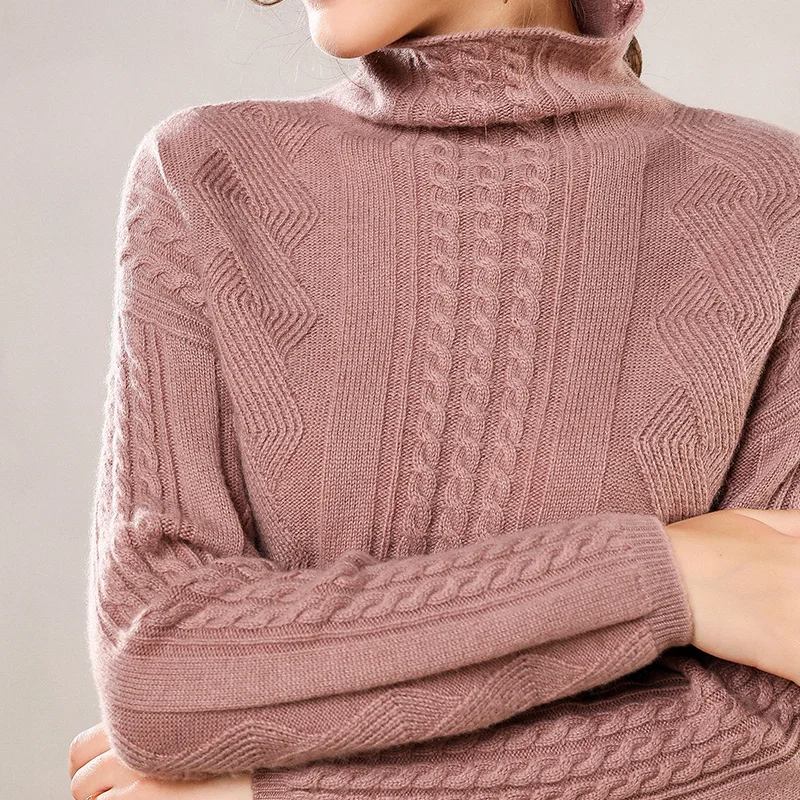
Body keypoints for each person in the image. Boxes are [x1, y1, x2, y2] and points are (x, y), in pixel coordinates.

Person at [68, 0, 800, 798]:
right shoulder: (207, 174)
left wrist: (271, 791)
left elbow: (774, 738)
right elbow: (158, 669)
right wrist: (664, 579)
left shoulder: (772, 200)